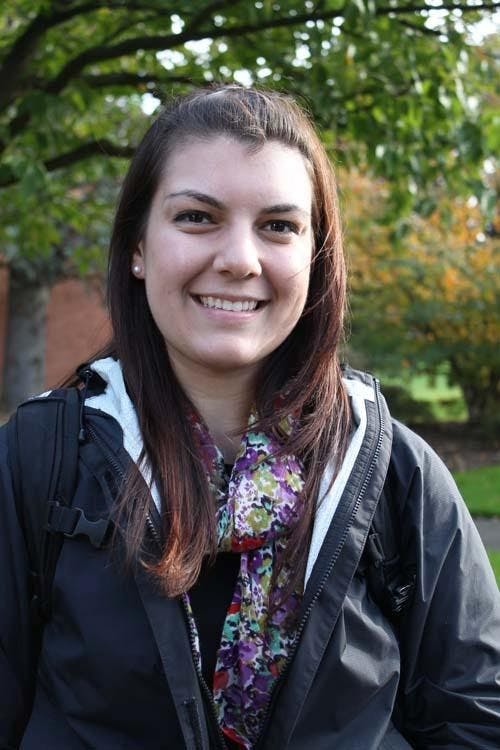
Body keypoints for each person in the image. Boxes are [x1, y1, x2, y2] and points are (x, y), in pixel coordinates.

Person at [1, 85, 499, 750]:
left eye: (279, 226)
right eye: (197, 217)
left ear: (315, 258)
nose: (239, 259)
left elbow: (475, 718)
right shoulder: (40, 457)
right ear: (137, 248)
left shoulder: (392, 473)